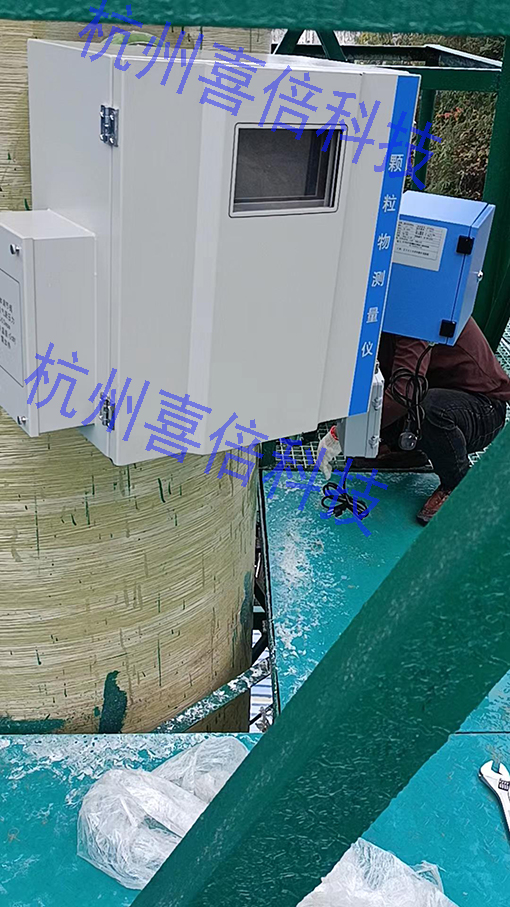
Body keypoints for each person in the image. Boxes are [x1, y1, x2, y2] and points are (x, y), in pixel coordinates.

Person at [318, 317, 510, 524]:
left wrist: (343, 434)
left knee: (427, 409)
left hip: (482, 408)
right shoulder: (382, 314)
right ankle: (406, 453)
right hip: (435, 391)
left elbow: (405, 394)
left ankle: (456, 484)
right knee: (384, 400)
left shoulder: (415, 313)